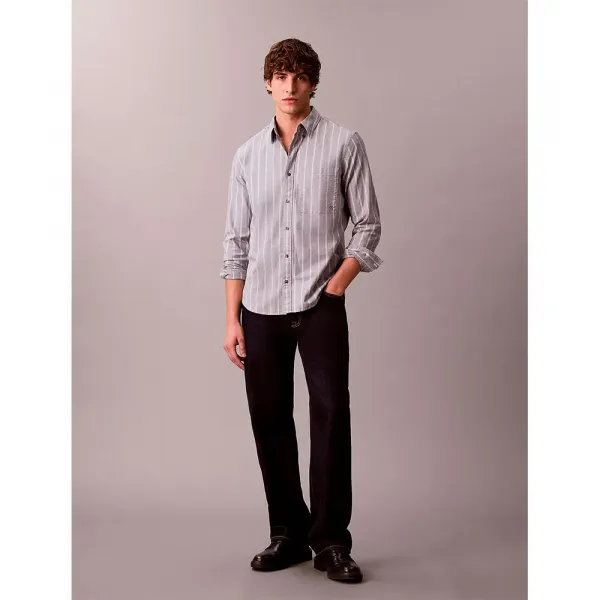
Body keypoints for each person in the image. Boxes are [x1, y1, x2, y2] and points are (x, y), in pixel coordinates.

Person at [220, 38, 383, 584]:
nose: (290, 87)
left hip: (320, 304)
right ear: (268, 82)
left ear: (313, 83)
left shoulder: (343, 143)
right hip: (261, 307)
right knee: (269, 418)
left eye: (300, 76)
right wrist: (232, 319)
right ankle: (287, 532)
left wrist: (337, 286)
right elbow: (236, 242)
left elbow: (367, 224)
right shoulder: (247, 156)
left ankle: (331, 540)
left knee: (332, 413)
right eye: (281, 76)